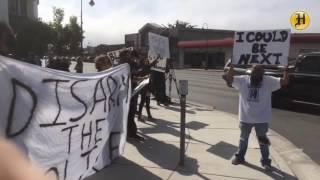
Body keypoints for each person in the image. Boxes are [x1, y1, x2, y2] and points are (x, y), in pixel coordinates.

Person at [224, 64, 289, 170]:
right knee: (243, 139)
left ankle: (266, 161)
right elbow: (229, 79)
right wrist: (231, 68)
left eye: (259, 72)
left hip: (262, 119)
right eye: (255, 71)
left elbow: (285, 81)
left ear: (263, 74)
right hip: (245, 118)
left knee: (263, 141)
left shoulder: (268, 81)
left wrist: (286, 70)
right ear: (250, 72)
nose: (257, 74)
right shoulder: (243, 80)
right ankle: (240, 157)